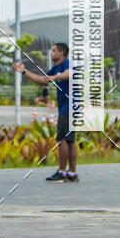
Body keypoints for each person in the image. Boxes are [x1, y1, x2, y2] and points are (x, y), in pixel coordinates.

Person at [13, 42, 78, 182]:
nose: (51, 53)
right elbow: (41, 80)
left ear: (61, 52)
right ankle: (72, 174)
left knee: (62, 140)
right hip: (69, 107)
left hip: (70, 106)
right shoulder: (56, 68)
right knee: (70, 140)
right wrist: (24, 71)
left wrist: (55, 77)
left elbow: (69, 74)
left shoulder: (67, 63)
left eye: (54, 50)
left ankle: (61, 172)